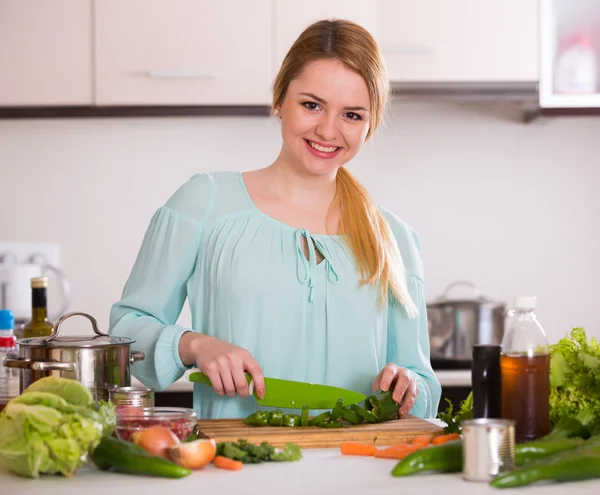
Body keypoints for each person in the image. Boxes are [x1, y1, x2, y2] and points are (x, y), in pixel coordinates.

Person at [108, 19, 441, 421]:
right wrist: (194, 345)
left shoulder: (395, 238)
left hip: (356, 473)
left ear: (370, 125)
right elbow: (124, 336)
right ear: (279, 100)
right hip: (238, 471)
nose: (328, 129)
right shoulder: (204, 203)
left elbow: (421, 383)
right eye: (311, 105)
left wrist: (407, 384)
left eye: (351, 114)